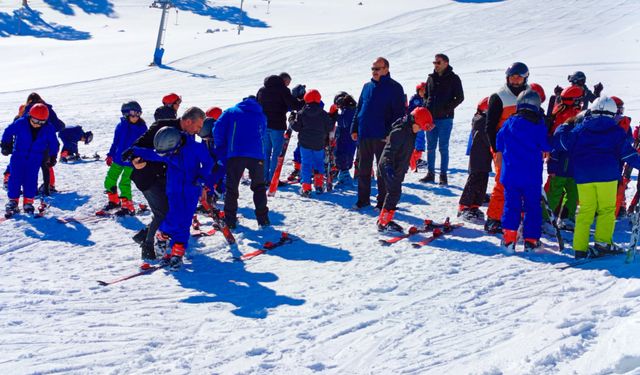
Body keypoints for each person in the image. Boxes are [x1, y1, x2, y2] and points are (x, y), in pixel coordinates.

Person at [554, 96, 640, 258]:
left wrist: (565, 124)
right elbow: (628, 155)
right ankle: (603, 242)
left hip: (584, 176)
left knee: (586, 210)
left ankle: (580, 248)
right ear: (613, 113)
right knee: (606, 210)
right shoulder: (616, 131)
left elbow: (562, 143)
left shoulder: (580, 129)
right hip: (607, 176)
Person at [128, 107, 205, 260]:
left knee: (169, 210)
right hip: (147, 176)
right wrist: (135, 161)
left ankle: (148, 234)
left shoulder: (188, 137)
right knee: (162, 212)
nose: (198, 131)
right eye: (198, 126)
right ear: (188, 121)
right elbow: (137, 147)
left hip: (166, 178)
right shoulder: (162, 127)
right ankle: (148, 245)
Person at [496, 89, 551, 252]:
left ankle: (509, 238)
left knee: (511, 205)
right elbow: (546, 145)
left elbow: (499, 140)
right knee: (532, 207)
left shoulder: (510, 122)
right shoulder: (538, 125)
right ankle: (531, 240)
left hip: (511, 174)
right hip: (531, 175)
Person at [351, 57, 406, 210]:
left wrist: (391, 133)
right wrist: (354, 128)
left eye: (377, 69)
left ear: (386, 69)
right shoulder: (367, 86)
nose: (374, 72)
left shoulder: (395, 88)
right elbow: (359, 109)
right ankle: (362, 200)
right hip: (365, 133)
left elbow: (399, 114)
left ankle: (382, 201)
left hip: (383, 136)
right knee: (363, 169)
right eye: (373, 69)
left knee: (383, 171)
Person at [484, 62, 530, 233]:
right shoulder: (499, 96)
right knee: (503, 182)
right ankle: (494, 218)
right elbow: (489, 126)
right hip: (504, 148)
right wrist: (495, 149)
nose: (515, 80)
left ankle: (515, 215)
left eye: (519, 77)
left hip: (524, 147)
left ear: (525, 77)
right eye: (512, 76)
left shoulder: (530, 94)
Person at [214, 96, 270, 229]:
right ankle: (263, 219)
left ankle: (230, 220)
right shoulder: (261, 114)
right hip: (257, 155)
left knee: (232, 188)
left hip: (236, 153)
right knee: (259, 187)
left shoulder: (231, 112)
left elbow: (217, 129)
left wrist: (222, 148)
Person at [378, 107, 434, 232]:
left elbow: (406, 149)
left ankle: (384, 220)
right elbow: (388, 151)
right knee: (394, 193)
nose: (419, 130)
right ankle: (383, 223)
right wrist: (388, 167)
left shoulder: (410, 131)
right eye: (419, 127)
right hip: (389, 167)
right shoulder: (399, 132)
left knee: (394, 194)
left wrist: (411, 161)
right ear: (414, 121)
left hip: (398, 167)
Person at [1, 104, 59, 215]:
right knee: (15, 178)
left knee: (31, 179)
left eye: (41, 123)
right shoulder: (21, 123)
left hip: (35, 158)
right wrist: (5, 144)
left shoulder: (48, 128)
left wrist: (53, 156)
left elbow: (53, 143)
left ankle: (28, 201)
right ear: (30, 116)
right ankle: (13, 201)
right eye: (35, 121)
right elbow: (8, 131)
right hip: (18, 156)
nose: (37, 125)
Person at [419, 54, 464, 185]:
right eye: (434, 62)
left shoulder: (454, 78)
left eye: (438, 62)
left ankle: (443, 175)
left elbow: (460, 97)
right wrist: (427, 106)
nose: (436, 65)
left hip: (445, 119)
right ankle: (430, 174)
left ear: (446, 63)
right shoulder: (430, 78)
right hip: (430, 119)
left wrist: (447, 108)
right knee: (430, 147)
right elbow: (426, 95)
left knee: (443, 147)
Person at [256, 72, 305, 182]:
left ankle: (263, 178)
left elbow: (257, 105)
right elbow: (294, 105)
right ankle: (273, 178)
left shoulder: (262, 89)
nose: (288, 85)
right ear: (284, 80)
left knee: (265, 152)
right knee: (277, 153)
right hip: (277, 125)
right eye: (288, 82)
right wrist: (304, 101)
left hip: (263, 125)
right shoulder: (283, 90)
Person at [102, 101, 148, 216]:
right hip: (118, 159)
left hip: (132, 161)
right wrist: (110, 154)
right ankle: (114, 201)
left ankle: (128, 207)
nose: (136, 116)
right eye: (133, 114)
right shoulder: (121, 126)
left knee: (124, 183)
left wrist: (141, 157)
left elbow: (145, 144)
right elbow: (115, 142)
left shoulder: (142, 128)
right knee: (109, 180)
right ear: (126, 114)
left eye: (138, 113)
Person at [16, 93, 65, 196]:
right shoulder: (48, 109)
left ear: (29, 101)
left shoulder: (28, 109)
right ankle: (47, 190)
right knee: (46, 166)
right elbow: (58, 125)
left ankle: (33, 190)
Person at [290, 89, 334, 197]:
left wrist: (291, 119)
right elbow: (329, 127)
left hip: (305, 143)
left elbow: (296, 127)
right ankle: (318, 185)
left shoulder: (302, 113)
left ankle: (306, 187)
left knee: (306, 164)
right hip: (319, 142)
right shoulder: (323, 113)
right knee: (319, 163)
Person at [458, 97, 491, 222]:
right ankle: (464, 206)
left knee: (483, 181)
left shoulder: (483, 119)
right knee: (474, 180)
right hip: (478, 156)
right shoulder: (481, 121)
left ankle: (474, 205)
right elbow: (488, 139)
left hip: (484, 157)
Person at [333, 92, 358, 187]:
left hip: (346, 138)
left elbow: (344, 123)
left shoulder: (348, 111)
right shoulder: (353, 109)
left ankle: (345, 179)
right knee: (346, 156)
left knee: (341, 155)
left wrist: (336, 116)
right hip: (350, 138)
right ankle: (343, 175)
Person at [408, 82, 427, 172]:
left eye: (425, 90)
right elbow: (413, 111)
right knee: (417, 141)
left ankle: (416, 159)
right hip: (415, 124)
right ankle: (414, 160)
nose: (423, 92)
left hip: (422, 124)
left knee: (421, 141)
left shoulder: (426, 99)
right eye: (421, 90)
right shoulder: (415, 99)